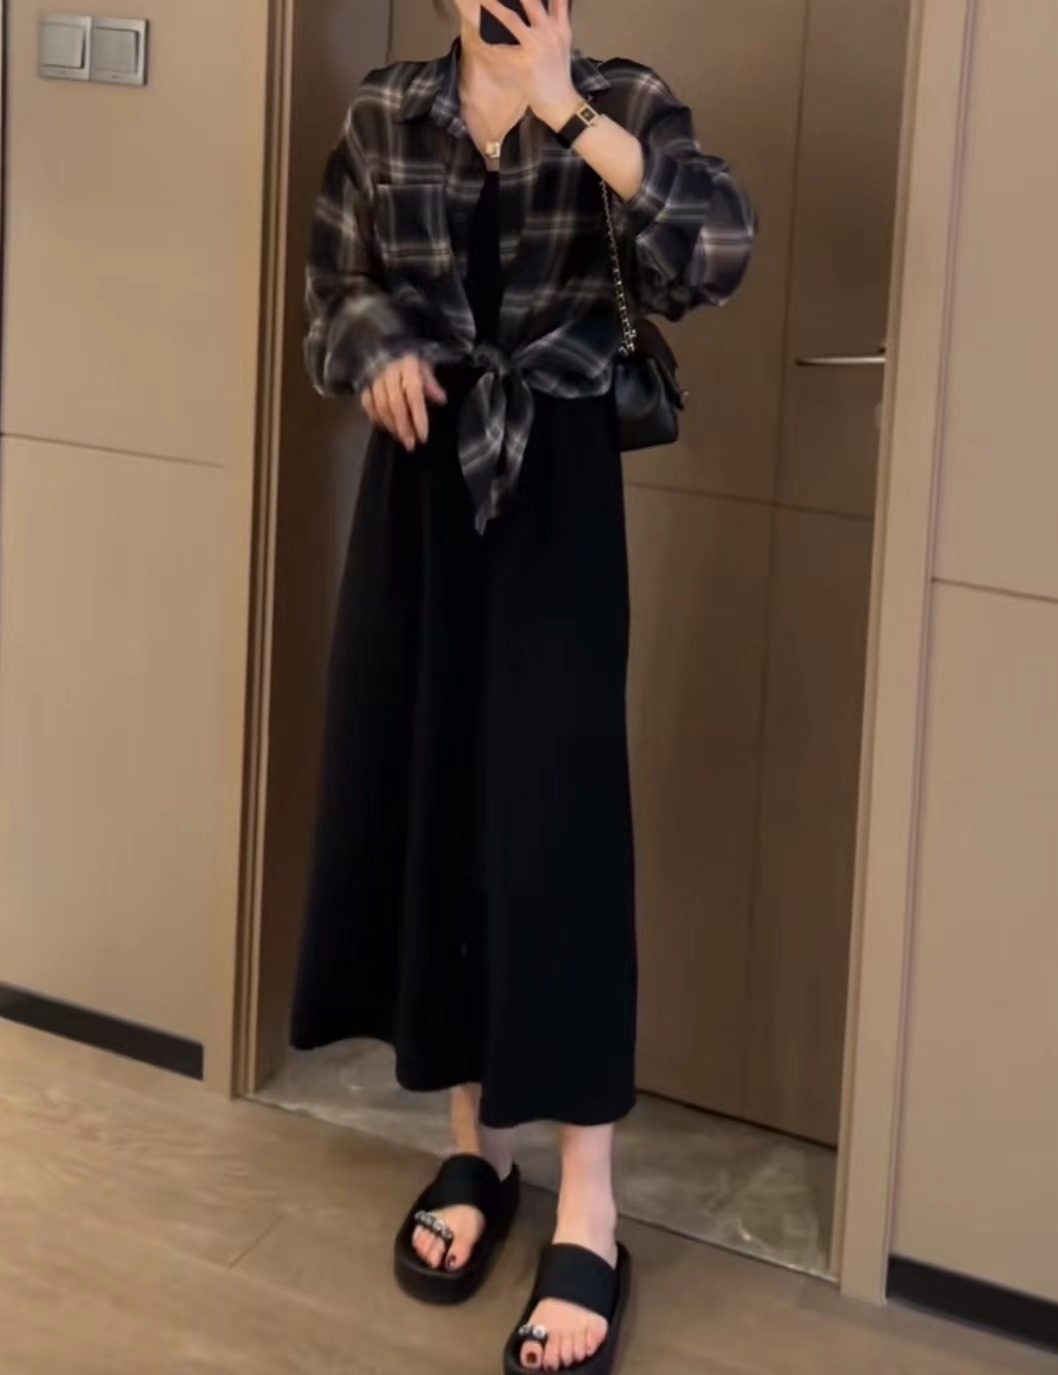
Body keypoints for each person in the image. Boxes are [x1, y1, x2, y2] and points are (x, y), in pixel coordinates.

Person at [289, 0, 754, 1369]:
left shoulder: (623, 97)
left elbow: (715, 254)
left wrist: (569, 111)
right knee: (439, 804)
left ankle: (590, 1209)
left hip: (555, 492)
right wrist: (375, 344)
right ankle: (476, 1149)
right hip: (420, 499)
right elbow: (335, 288)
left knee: (556, 835)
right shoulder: (386, 109)